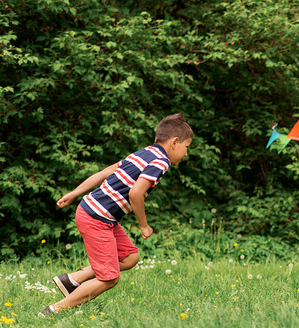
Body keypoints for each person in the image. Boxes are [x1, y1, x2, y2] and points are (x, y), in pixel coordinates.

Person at [39, 113, 193, 317]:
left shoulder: (144, 153)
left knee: (130, 257)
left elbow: (105, 173)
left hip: (97, 213)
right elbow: (136, 193)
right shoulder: (160, 162)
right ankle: (54, 310)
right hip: (96, 218)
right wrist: (144, 225)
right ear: (174, 142)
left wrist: (75, 193)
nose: (185, 154)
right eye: (186, 147)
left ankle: (73, 279)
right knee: (109, 278)